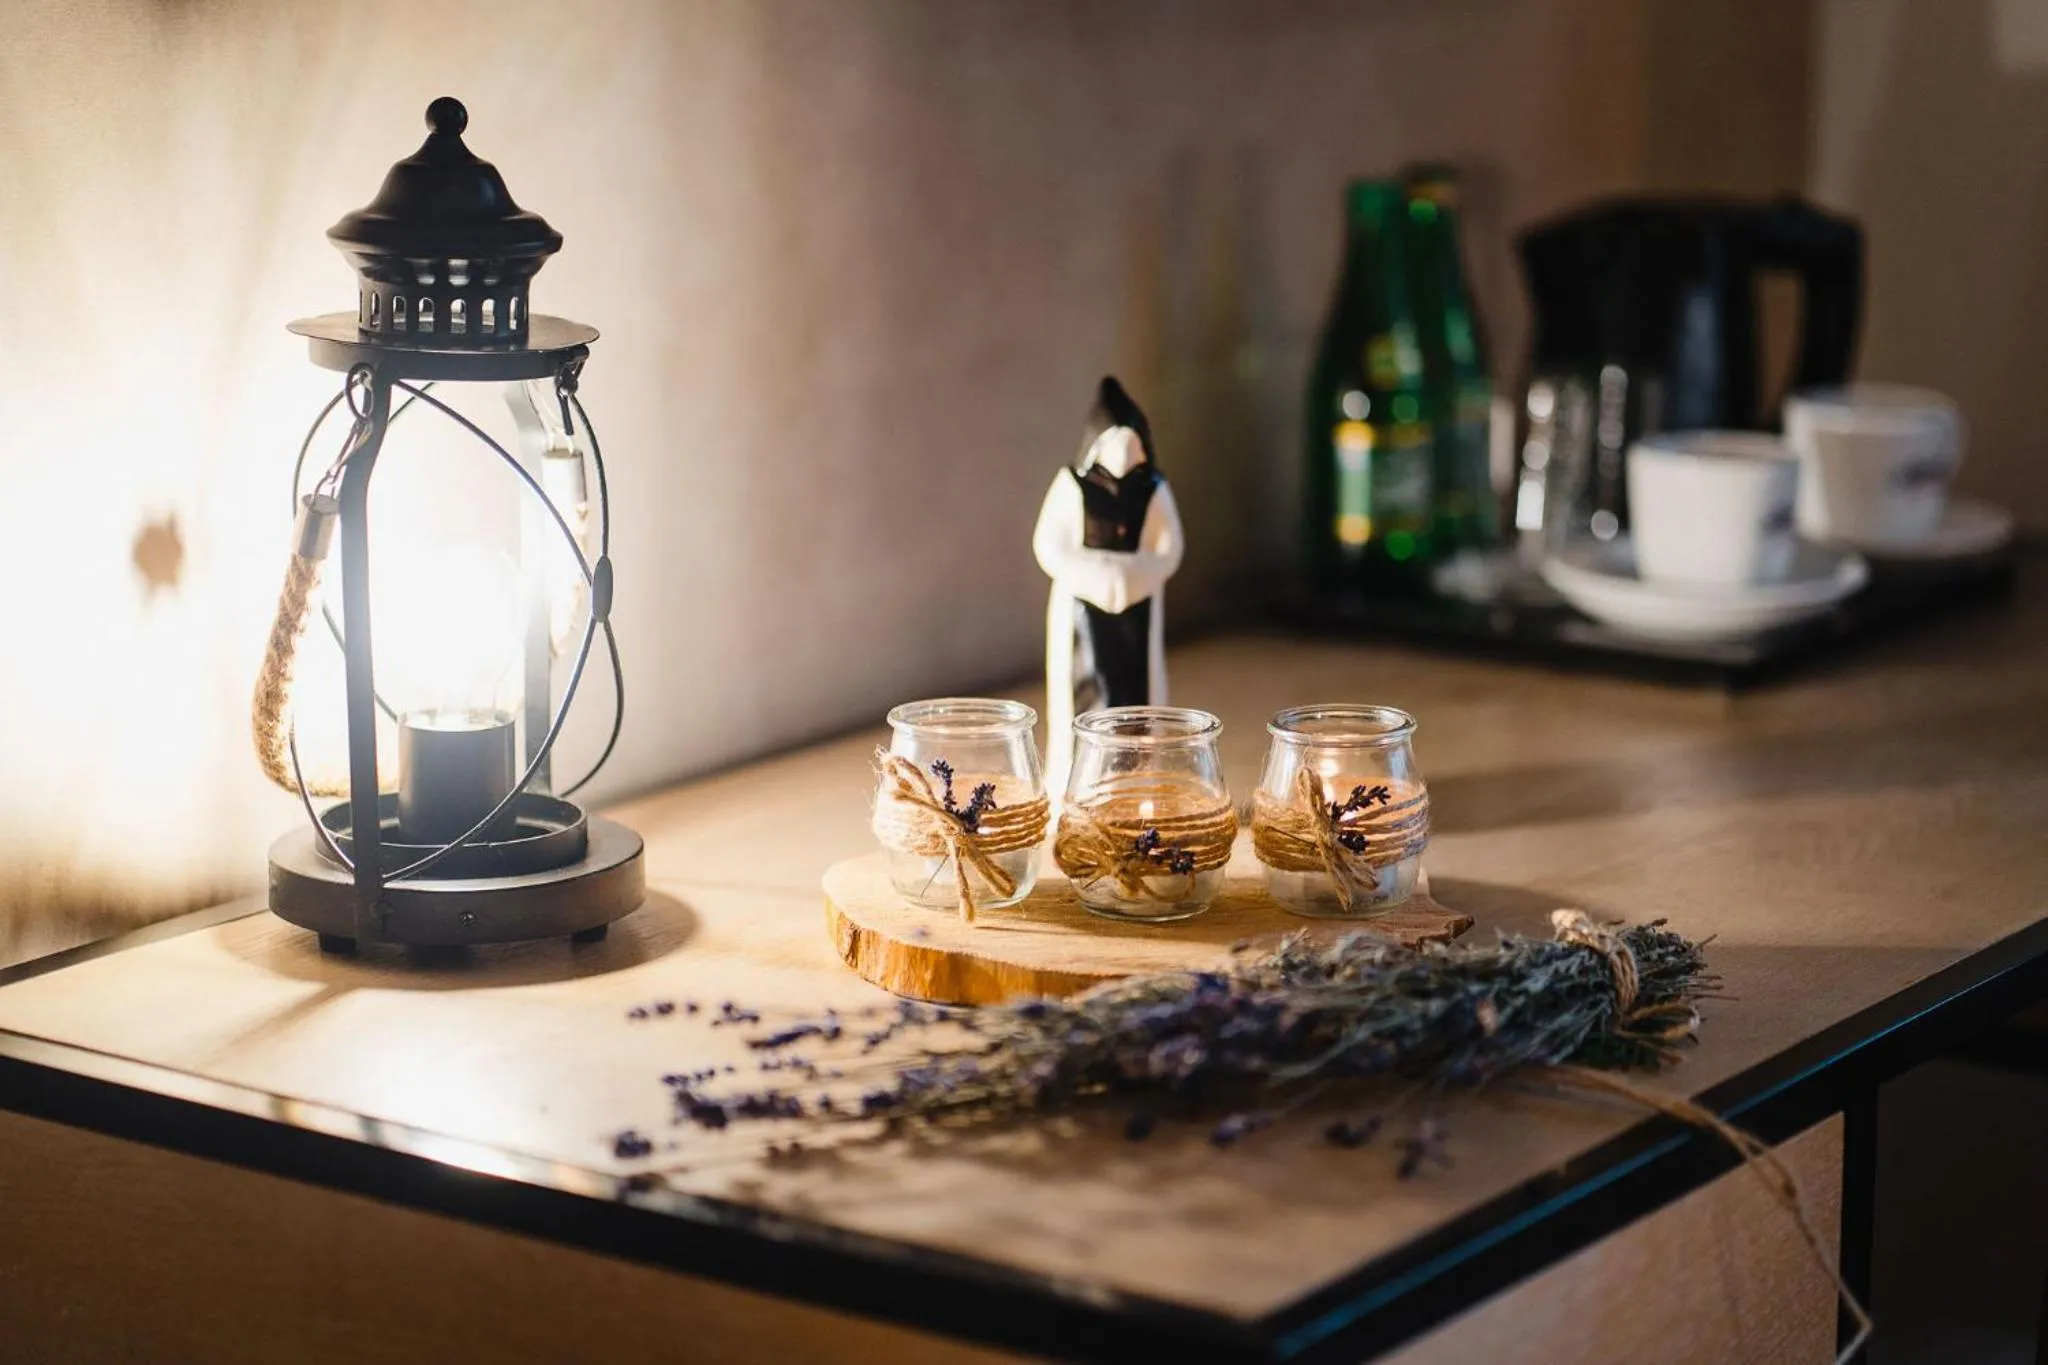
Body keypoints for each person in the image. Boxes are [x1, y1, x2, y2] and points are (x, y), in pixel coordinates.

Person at [1032, 376, 1186, 803]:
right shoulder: (1074, 486)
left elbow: (1170, 547)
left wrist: (1138, 574)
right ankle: (1076, 782)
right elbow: (1049, 544)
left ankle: (1139, 781)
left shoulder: (1153, 489)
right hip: (1082, 606)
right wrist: (1094, 572)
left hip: (1137, 608)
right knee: (1082, 688)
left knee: (1138, 696)